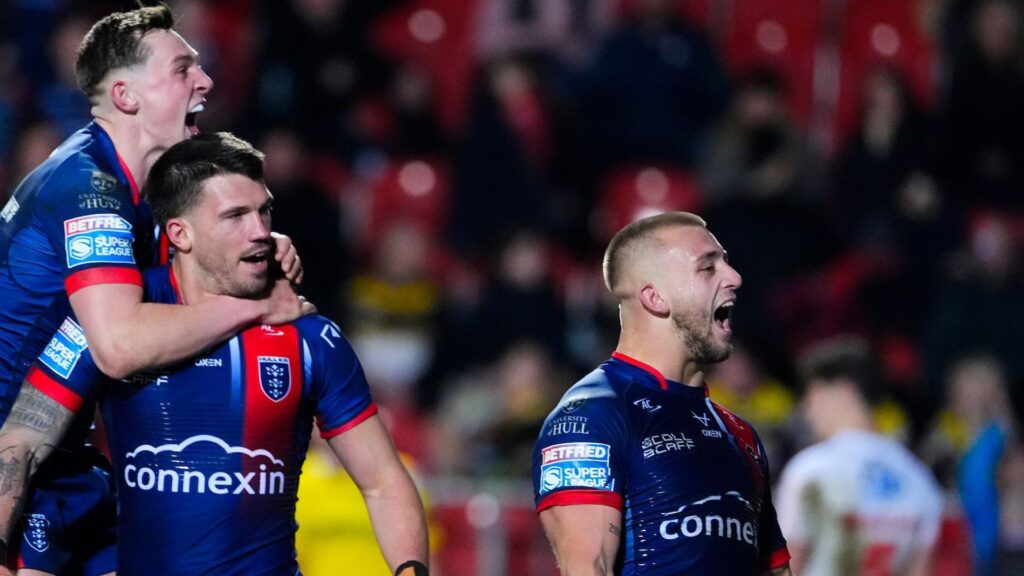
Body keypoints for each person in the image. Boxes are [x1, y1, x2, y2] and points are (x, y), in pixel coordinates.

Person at [0, 132, 429, 576]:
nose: (261, 232)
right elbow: (22, 440)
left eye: (264, 211)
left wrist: (411, 570)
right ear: (180, 233)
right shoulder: (115, 324)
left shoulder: (307, 336)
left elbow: (382, 480)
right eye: (236, 216)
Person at [0, 6, 308, 574]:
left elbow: (177, 281)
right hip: (16, 468)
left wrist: (254, 245)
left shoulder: (135, 191)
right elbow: (121, 345)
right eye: (181, 69)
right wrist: (254, 304)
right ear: (125, 96)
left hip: (66, 459)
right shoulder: (86, 186)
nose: (206, 80)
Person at [532, 211, 791, 575]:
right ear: (655, 298)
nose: (735, 277)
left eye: (727, 264)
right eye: (708, 268)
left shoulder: (741, 434)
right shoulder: (592, 415)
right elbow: (588, 566)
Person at [775, 336, 944, 576]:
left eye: (811, 395)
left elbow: (787, 564)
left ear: (841, 390)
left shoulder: (810, 471)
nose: (806, 410)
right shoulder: (918, 479)